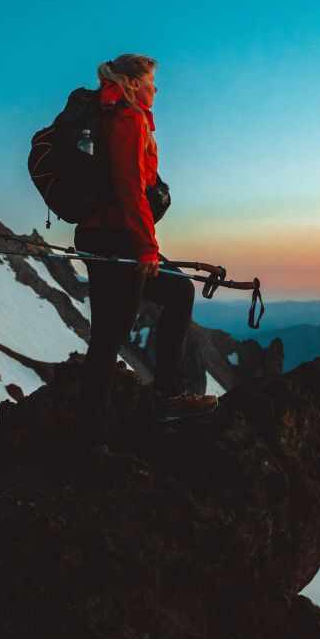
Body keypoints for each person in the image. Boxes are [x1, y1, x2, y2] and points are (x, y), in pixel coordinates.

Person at [75, 54, 217, 449]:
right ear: (134, 82)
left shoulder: (108, 115)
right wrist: (147, 247)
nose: (157, 87)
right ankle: (96, 438)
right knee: (110, 337)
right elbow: (129, 188)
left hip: (99, 235)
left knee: (167, 299)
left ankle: (100, 430)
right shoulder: (127, 119)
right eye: (152, 80)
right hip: (116, 239)